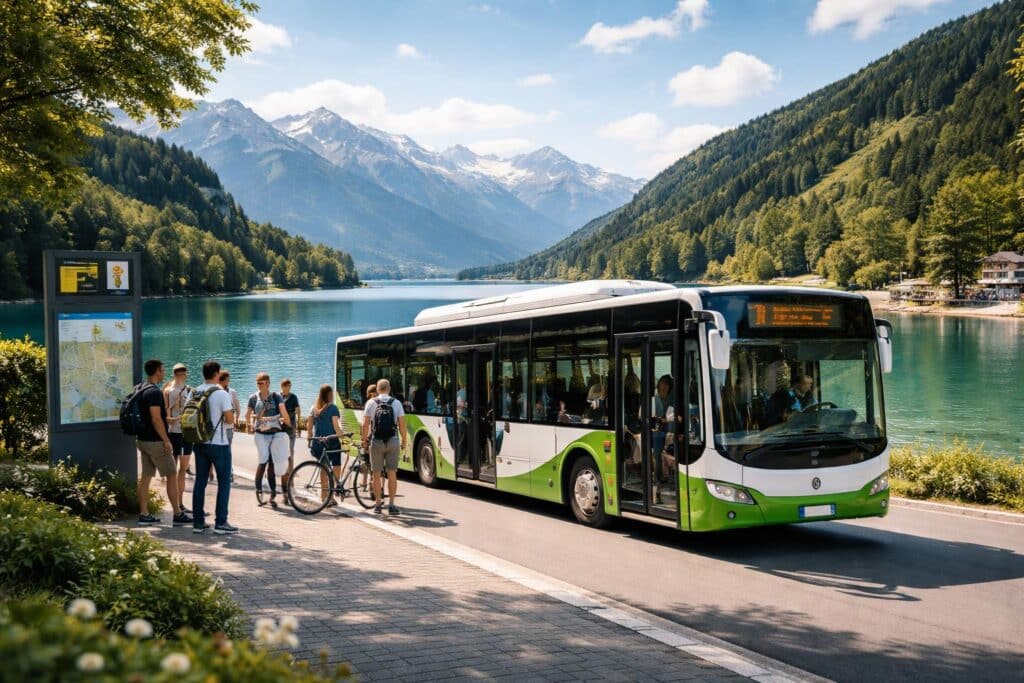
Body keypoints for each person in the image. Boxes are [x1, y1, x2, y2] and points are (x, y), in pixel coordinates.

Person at [135, 359, 190, 526]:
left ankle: (144, 514)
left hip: (142, 439)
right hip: (156, 441)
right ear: (157, 371)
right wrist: (166, 440)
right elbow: (156, 419)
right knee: (172, 474)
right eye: (162, 369)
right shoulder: (154, 392)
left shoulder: (140, 388)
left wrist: (171, 419)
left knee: (145, 477)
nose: (164, 372)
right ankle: (177, 513)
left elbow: (153, 416)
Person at [191, 360, 237, 534]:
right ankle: (221, 522)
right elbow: (230, 420)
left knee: (200, 482)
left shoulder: (195, 391)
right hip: (219, 444)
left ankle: (198, 522)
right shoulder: (221, 393)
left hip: (199, 442)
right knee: (224, 482)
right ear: (217, 374)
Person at [362, 378, 407, 515]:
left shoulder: (371, 402)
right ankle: (392, 504)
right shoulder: (397, 403)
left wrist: (364, 440)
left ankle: (377, 505)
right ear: (389, 389)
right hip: (393, 440)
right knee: (392, 473)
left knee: (376, 474)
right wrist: (404, 440)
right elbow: (402, 425)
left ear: (377, 389)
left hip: (376, 441)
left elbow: (365, 425)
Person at [246, 372, 291, 508]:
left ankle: (272, 493)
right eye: (257, 383)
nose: (259, 385)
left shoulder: (276, 397)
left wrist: (288, 423)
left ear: (268, 383)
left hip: (275, 434)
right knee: (262, 461)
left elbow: (283, 412)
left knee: (272, 463)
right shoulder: (253, 398)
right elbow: (247, 414)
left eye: (261, 383)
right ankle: (259, 491)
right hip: (260, 435)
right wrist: (251, 422)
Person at [163, 363, 193, 517]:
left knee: (182, 469)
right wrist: (180, 418)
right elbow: (167, 419)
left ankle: (180, 503)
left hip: (185, 433)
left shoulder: (189, 390)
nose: (186, 375)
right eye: (185, 373)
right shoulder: (169, 391)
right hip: (176, 433)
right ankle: (177, 505)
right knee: (175, 471)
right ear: (181, 374)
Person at [307, 384, 344, 506]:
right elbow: (336, 426)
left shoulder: (313, 408)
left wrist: (309, 439)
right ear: (329, 395)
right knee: (336, 467)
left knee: (323, 469)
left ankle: (324, 495)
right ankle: (331, 495)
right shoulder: (333, 408)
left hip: (317, 442)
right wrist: (343, 436)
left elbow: (309, 426)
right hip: (331, 442)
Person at [280, 378, 301, 490]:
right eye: (284, 386)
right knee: (283, 453)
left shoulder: (294, 397)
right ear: (282, 387)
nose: (287, 387)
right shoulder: (279, 396)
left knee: (290, 453)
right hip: (280, 429)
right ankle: (284, 474)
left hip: (291, 428)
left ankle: (291, 476)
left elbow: (298, 409)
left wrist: (298, 415)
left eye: (288, 386)